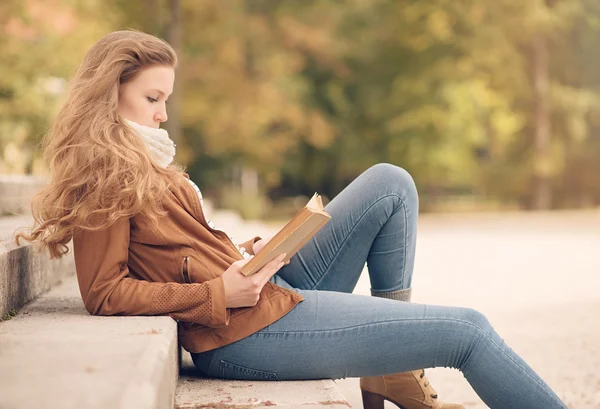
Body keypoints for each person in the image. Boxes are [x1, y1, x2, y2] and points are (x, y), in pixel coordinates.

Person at [14, 30, 568, 409]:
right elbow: (104, 291)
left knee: (390, 182)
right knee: (467, 331)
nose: (162, 114)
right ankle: (397, 357)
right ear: (109, 93)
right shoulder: (104, 176)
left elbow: (175, 247)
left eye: (166, 99)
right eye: (153, 98)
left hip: (262, 292)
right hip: (241, 336)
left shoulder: (142, 159)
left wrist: (238, 253)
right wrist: (215, 292)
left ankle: (387, 365)